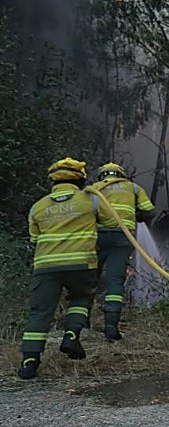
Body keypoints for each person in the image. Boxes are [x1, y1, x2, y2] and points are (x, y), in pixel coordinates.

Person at [17, 158, 99, 380]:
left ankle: (29, 363)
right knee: (81, 298)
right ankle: (71, 335)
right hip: (81, 264)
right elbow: (108, 222)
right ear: (81, 178)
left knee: (40, 313)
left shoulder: (38, 207)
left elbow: (34, 239)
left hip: (46, 267)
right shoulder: (90, 200)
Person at [89, 162, 157, 341]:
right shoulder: (133, 188)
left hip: (96, 239)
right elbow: (149, 212)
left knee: (88, 280)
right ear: (121, 174)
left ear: (102, 175)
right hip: (122, 238)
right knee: (115, 282)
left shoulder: (93, 189)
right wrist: (135, 216)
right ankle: (111, 327)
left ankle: (80, 323)